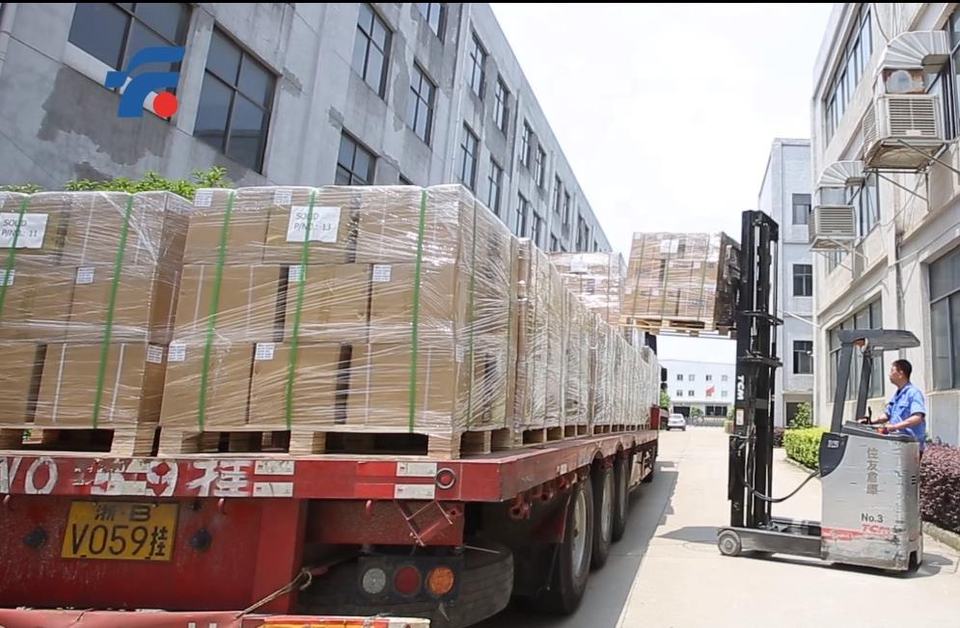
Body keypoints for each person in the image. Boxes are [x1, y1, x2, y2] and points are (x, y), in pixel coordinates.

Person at [860, 359, 927, 453]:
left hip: (910, 445)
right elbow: (887, 415)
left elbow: (917, 418)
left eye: (892, 371)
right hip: (896, 442)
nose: (889, 374)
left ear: (900, 374)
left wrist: (895, 427)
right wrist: (871, 422)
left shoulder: (913, 393)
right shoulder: (897, 395)